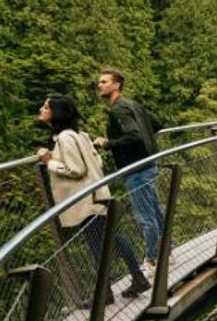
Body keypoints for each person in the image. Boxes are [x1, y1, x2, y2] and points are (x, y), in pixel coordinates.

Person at [36, 95, 150, 298]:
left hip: (84, 200)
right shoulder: (81, 135)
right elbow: (97, 164)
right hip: (95, 194)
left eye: (46, 107)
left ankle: (129, 281)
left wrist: (49, 162)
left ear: (57, 113)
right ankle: (110, 289)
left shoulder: (64, 138)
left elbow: (76, 169)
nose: (41, 109)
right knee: (102, 242)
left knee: (106, 240)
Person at [95, 68, 166, 276]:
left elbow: (134, 135)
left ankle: (151, 260)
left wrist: (107, 143)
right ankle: (167, 249)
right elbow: (157, 124)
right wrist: (146, 145)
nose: (100, 85)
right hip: (150, 164)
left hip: (137, 170)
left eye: (104, 82)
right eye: (99, 82)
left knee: (145, 216)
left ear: (116, 85)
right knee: (154, 209)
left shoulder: (118, 110)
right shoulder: (133, 104)